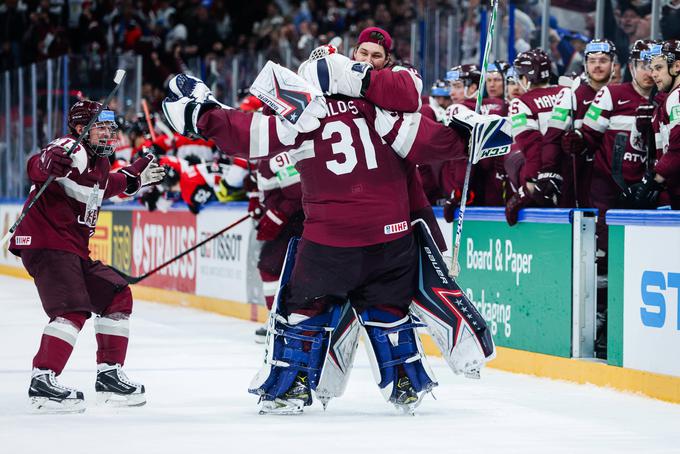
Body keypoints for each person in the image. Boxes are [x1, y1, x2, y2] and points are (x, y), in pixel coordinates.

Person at [161, 66, 480, 414]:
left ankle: (292, 386)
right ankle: (405, 382)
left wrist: (203, 114)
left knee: (303, 307)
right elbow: (439, 144)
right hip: (392, 239)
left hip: (331, 239)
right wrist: (468, 133)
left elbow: (248, 135)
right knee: (388, 308)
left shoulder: (304, 117)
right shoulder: (381, 111)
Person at [9, 100, 165, 413]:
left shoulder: (99, 164)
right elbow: (38, 164)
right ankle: (43, 380)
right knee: (73, 309)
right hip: (48, 244)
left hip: (72, 250)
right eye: (101, 127)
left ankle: (108, 376)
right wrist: (47, 162)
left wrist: (135, 176)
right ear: (81, 130)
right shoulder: (72, 148)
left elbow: (105, 186)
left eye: (111, 127)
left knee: (116, 295)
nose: (109, 133)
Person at [580, 39, 658, 358]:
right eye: (642, 65)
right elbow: (587, 137)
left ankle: (638, 331)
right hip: (608, 193)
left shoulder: (666, 98)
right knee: (604, 260)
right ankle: (602, 325)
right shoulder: (611, 94)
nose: (648, 72)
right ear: (630, 67)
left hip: (650, 195)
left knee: (647, 262)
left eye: (654, 66)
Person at [542, 39, 617, 208]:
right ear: (585, 64)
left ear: (613, 64)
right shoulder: (570, 95)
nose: (597, 66)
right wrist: (549, 172)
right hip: (577, 178)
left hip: (611, 179)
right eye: (592, 61)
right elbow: (552, 138)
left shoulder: (619, 94)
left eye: (603, 61)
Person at [504, 49, 564, 225]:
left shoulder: (520, 104)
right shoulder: (565, 92)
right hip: (572, 173)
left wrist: (529, 186)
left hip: (544, 180)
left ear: (525, 78)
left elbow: (534, 149)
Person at [638, 40, 680, 209]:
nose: (653, 74)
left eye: (659, 68)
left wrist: (654, 179)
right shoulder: (667, 99)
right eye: (652, 68)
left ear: (677, 66)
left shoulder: (677, 96)